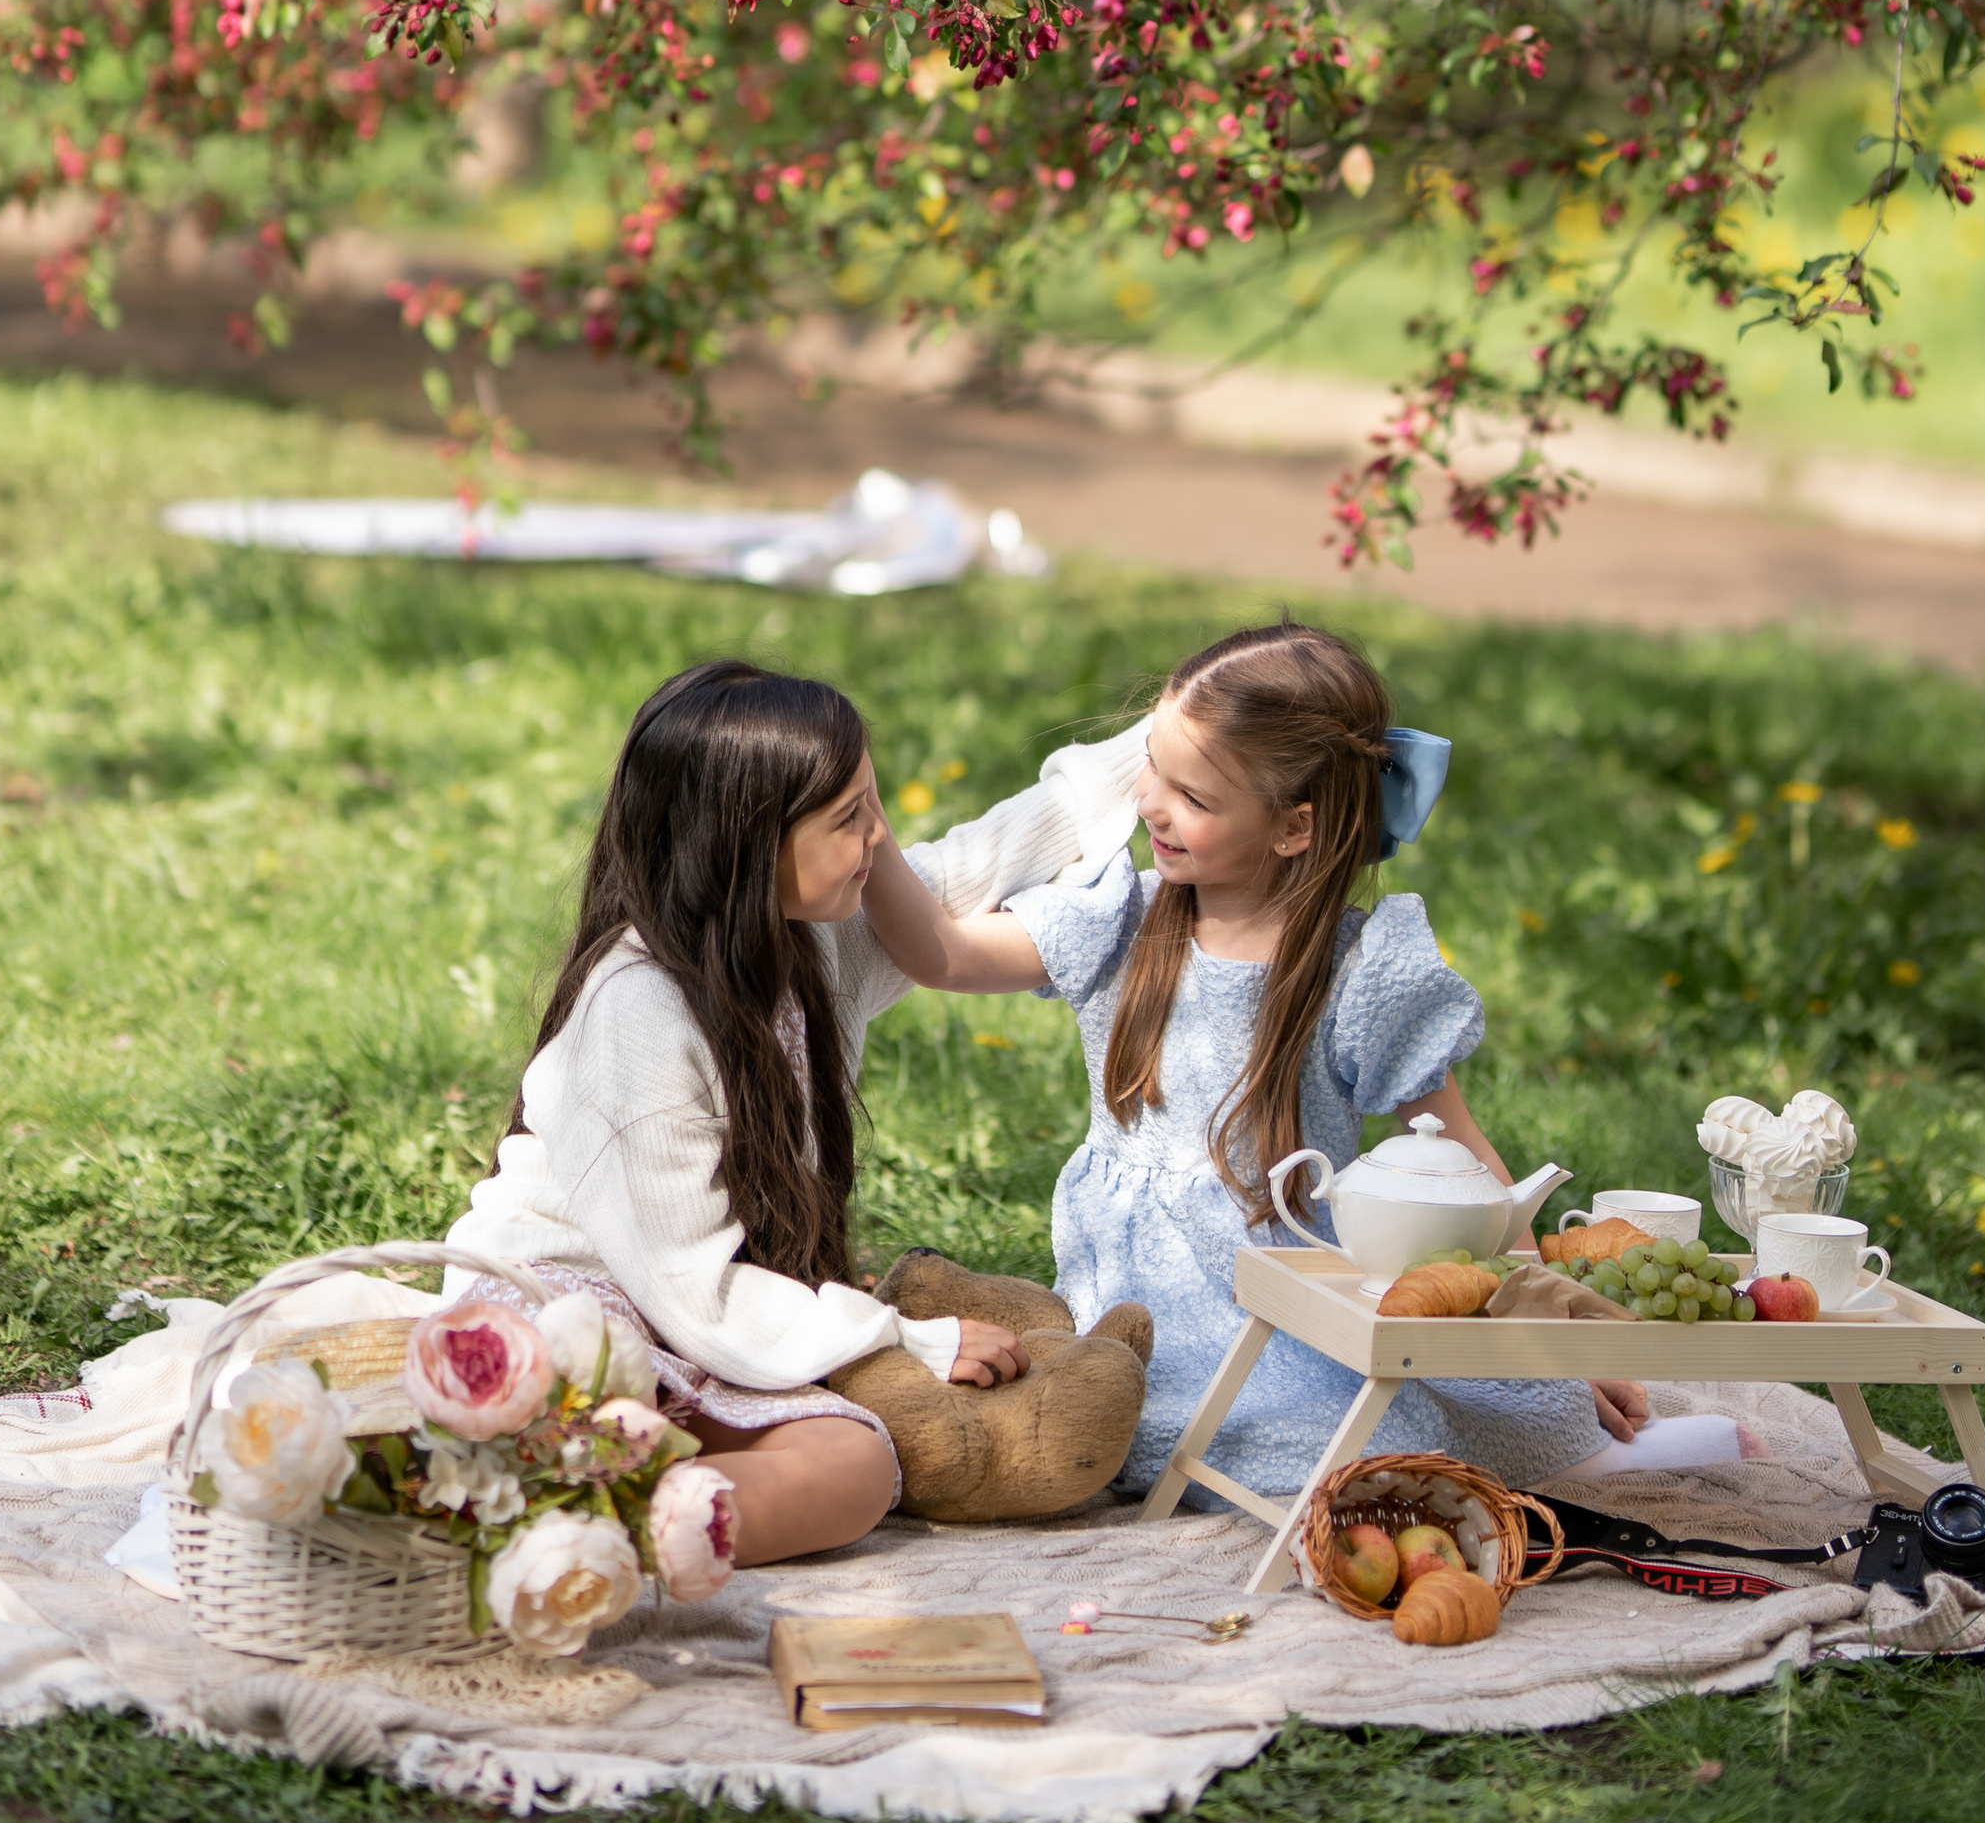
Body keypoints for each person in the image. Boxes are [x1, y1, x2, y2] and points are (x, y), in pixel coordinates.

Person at [865, 620, 1763, 1501]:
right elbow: (942, 954)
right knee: (1151, 1418)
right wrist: (867, 838)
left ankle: (1576, 1462)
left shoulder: (1357, 971)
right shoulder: (1123, 920)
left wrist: (1553, 1339)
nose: (1151, 807)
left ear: (1295, 827)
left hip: (1295, 1292)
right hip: (1145, 1301)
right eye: (1155, 772)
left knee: (1402, 1421)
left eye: (1195, 798)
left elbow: (1470, 1164)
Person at [447, 655, 1142, 1560]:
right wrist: (907, 1340)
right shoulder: (638, 1012)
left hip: (706, 1322)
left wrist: (1157, 750)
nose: (880, 841)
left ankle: (603, 1516)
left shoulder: (811, 941)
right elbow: (694, 1289)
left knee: (854, 1468)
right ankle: (561, 1510)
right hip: (579, 1306)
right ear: (746, 844)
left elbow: (976, 864)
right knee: (590, 1387)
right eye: (851, 819)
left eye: (873, 805)